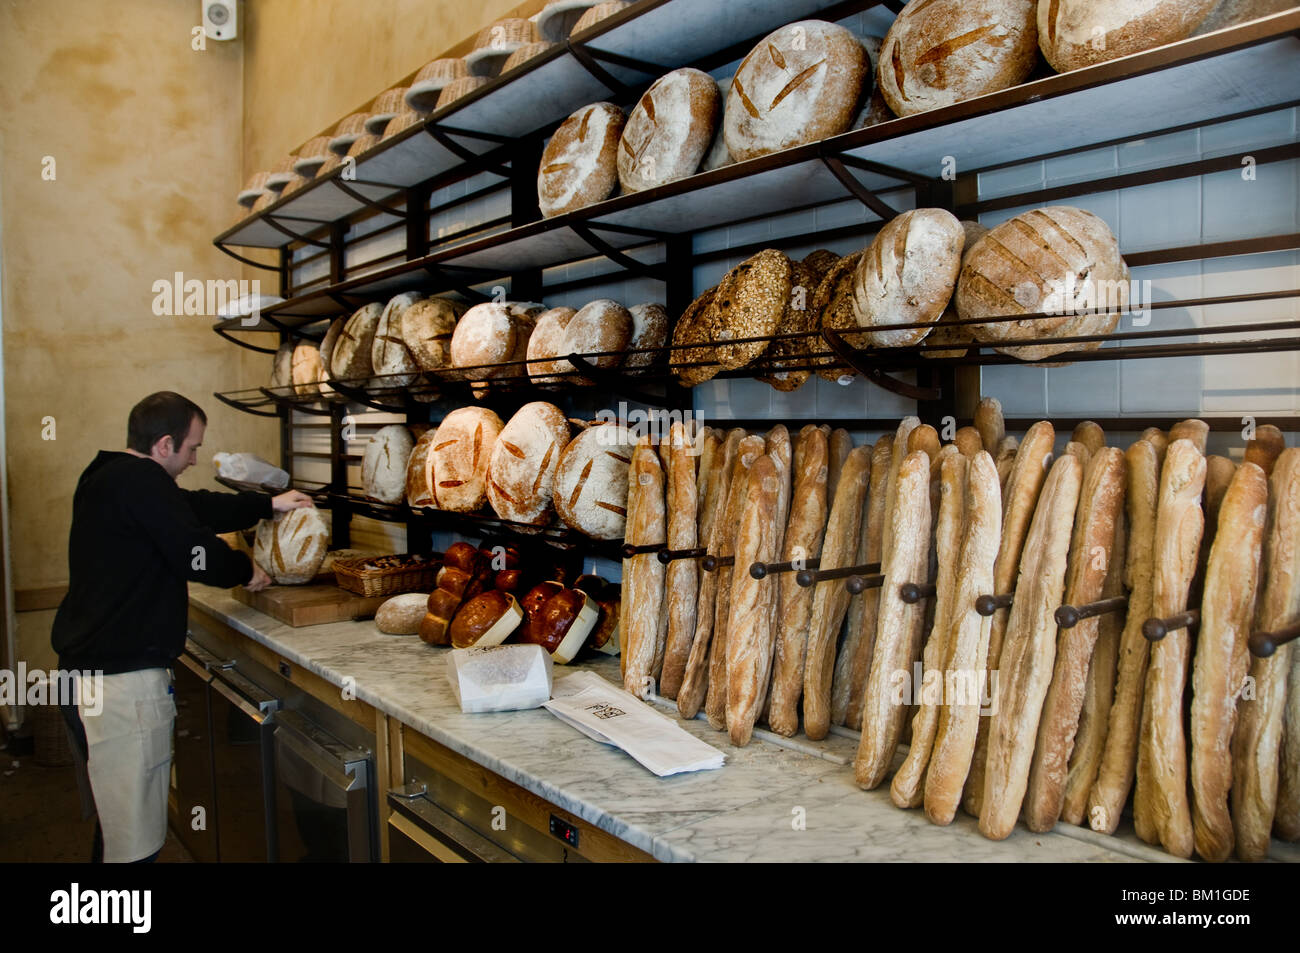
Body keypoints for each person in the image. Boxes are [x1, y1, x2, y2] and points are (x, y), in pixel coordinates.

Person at [50, 391, 314, 862]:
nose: (195, 459)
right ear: (164, 444)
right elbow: (194, 551)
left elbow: (191, 506)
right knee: (133, 846)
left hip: (85, 675)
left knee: (118, 827)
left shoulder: (110, 475)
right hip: (120, 688)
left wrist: (266, 505)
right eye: (192, 448)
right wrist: (244, 569)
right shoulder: (142, 485)